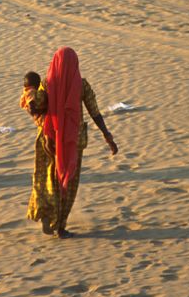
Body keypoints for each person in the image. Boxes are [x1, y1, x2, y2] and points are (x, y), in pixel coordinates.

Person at [24, 47, 118, 238]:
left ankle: (47, 214)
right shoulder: (81, 85)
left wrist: (29, 92)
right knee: (68, 182)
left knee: (48, 180)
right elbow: (95, 112)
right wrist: (107, 135)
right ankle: (60, 226)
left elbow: (36, 106)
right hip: (73, 141)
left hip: (48, 140)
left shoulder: (47, 84)